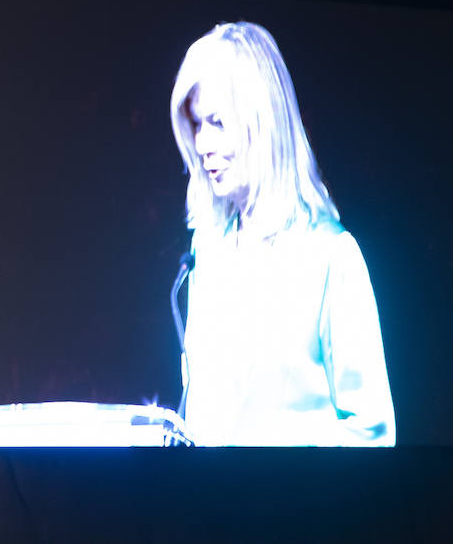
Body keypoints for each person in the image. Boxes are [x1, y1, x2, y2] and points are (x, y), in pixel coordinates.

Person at [169, 22, 395, 446]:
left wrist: (279, 464)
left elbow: (373, 433)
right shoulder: (207, 254)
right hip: (207, 509)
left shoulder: (332, 256)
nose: (202, 145)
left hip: (301, 509)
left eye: (217, 122)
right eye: (197, 125)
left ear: (263, 122)